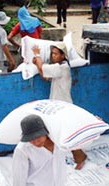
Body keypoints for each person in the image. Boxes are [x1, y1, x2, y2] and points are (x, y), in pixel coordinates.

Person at [32, 42, 87, 170]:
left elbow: (43, 68)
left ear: (63, 56)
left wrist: (37, 55)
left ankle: (80, 157)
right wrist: (38, 64)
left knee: (62, 135)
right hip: (58, 106)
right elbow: (45, 76)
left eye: (56, 54)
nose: (53, 56)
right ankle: (77, 157)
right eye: (52, 53)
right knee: (56, 134)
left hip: (63, 107)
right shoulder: (59, 67)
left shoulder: (62, 68)